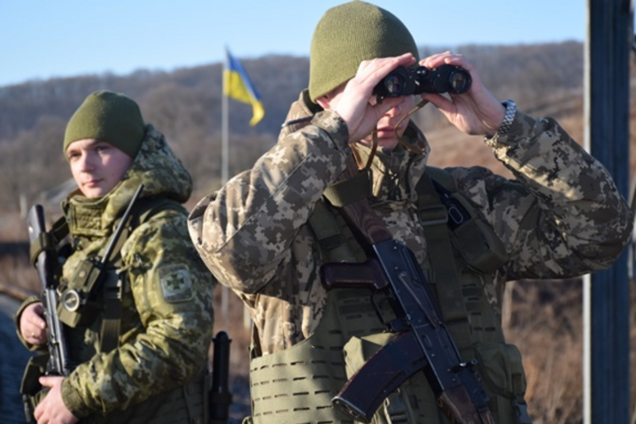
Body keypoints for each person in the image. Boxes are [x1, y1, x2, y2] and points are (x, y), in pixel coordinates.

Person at [187, 1, 633, 423]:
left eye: (404, 89)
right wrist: (331, 134)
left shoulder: (463, 199)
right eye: (374, 91)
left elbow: (600, 234)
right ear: (327, 98)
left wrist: (507, 127)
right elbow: (230, 250)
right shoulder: (280, 208)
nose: (394, 108)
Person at [15, 90, 215, 424]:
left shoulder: (159, 229)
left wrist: (77, 394)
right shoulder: (95, 230)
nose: (85, 165)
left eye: (102, 149)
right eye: (74, 155)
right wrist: (32, 317)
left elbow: (180, 343)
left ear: (135, 152)